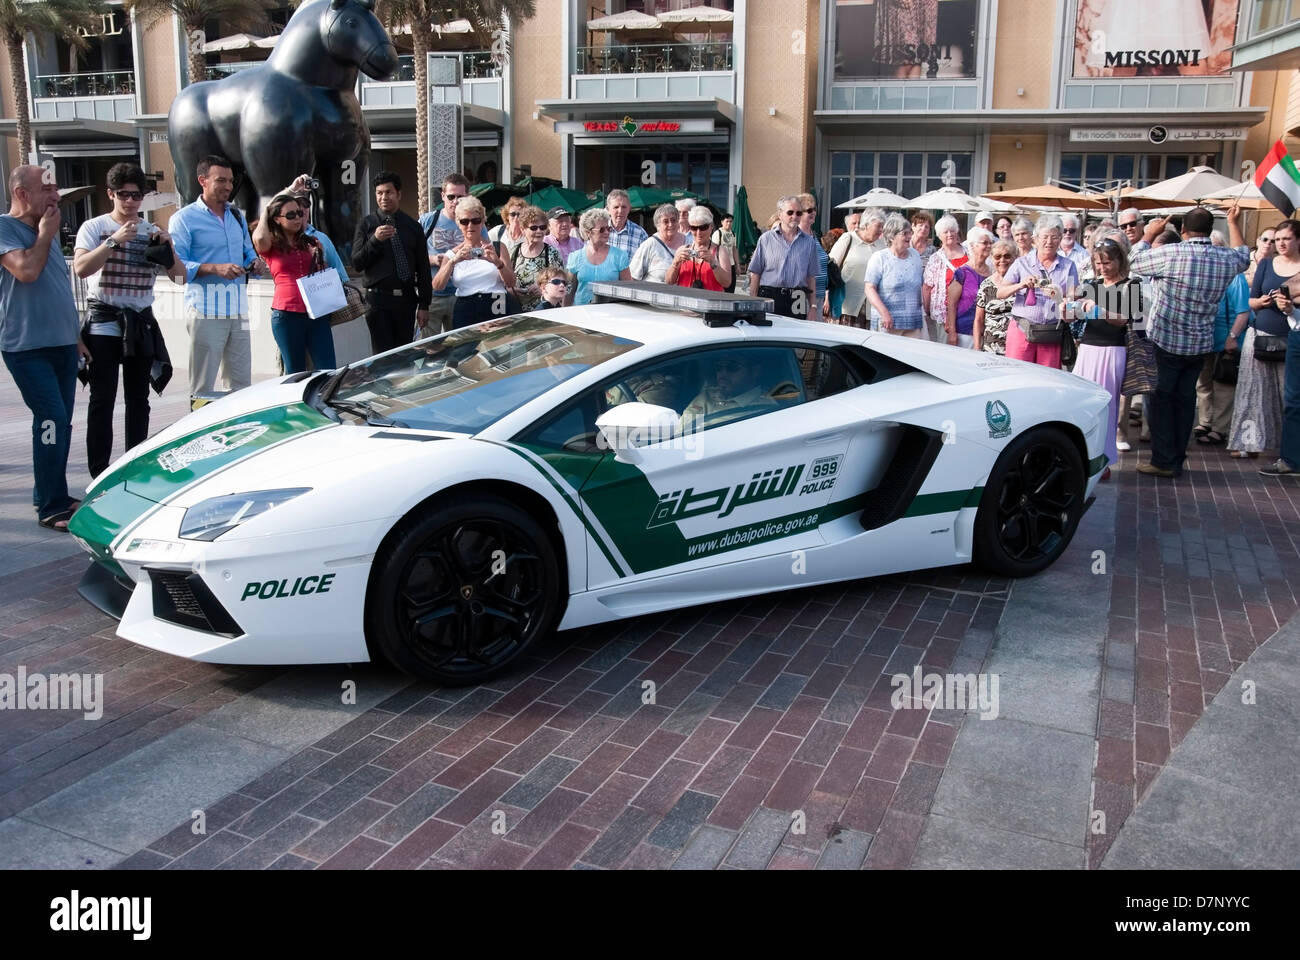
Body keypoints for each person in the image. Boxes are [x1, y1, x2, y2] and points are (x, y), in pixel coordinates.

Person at [73, 163, 184, 478]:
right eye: (123, 194)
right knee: (102, 398)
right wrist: (113, 241)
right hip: (105, 321)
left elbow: (180, 277)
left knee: (139, 399)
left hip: (140, 322)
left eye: (136, 195)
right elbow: (81, 268)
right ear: (111, 194)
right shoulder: (94, 227)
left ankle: (134, 466)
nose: (131, 201)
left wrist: (169, 247)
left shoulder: (151, 232)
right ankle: (99, 471)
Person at [1128, 205, 1248, 478]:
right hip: (1200, 344)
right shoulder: (1225, 258)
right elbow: (1245, 256)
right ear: (1208, 229)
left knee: (1160, 403)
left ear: (1182, 230)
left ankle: (1162, 461)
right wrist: (1234, 223)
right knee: (1184, 403)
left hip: (1166, 340)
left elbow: (1133, 262)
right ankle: (1176, 460)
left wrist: (1149, 234)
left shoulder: (1171, 253)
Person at [1, 165, 88, 531]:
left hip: (63, 346)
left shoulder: (44, 231)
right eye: (47, 189)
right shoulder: (7, 228)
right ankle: (51, 507)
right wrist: (46, 235)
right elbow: (27, 272)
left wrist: (76, 337)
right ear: (22, 193)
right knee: (50, 419)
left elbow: (55, 288)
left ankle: (51, 492)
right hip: (27, 348)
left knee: (60, 423)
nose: (56, 197)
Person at [169, 155, 262, 406]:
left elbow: (248, 250)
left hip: (238, 310)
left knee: (242, 387)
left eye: (231, 181)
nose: (229, 187)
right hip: (206, 311)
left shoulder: (236, 215)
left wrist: (255, 262)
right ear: (203, 180)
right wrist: (214, 268)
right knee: (203, 389)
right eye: (221, 180)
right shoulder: (184, 219)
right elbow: (178, 266)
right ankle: (200, 440)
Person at [1072, 237, 1144, 480]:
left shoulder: (1131, 285)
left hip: (1112, 350)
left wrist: (1101, 310)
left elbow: (1127, 318)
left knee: (1107, 406)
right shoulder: (1091, 283)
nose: (1102, 267)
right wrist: (1066, 309)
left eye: (1107, 263)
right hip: (1088, 349)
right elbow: (1075, 316)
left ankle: (1103, 459)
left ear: (1118, 260)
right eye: (1098, 263)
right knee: (1083, 405)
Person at [1229, 218, 1297, 463]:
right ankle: (1247, 443)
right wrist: (1260, 303)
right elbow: (1250, 300)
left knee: (1288, 397)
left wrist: (1291, 304)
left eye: (1286, 238)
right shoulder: (1267, 265)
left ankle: (1287, 448)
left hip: (1291, 338)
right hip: (1260, 335)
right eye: (1277, 239)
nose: (1280, 243)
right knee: (1252, 393)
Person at [253, 192, 335, 374]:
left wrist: (319, 257)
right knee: (295, 373)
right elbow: (259, 239)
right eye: (290, 215)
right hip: (287, 315)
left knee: (328, 370)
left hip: (317, 313)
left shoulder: (311, 242)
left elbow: (325, 271)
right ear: (276, 219)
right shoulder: (271, 245)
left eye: (299, 213)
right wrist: (266, 211)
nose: (297, 218)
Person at [352, 171, 431, 354]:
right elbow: (357, 262)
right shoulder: (367, 224)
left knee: (404, 355)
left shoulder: (413, 227)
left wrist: (424, 304)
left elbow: (423, 267)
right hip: (377, 300)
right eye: (379, 193)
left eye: (388, 192)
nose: (384, 197)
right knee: (382, 356)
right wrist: (375, 241)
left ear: (398, 194)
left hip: (406, 299)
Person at [997, 214, 1078, 369]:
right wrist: (1021, 285)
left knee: (1048, 379)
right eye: (1045, 237)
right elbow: (1000, 293)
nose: (1049, 242)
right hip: (1022, 329)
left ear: (1061, 238)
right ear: (1035, 239)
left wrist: (1061, 298)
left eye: (1054, 237)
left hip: (1051, 333)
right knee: (1017, 375)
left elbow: (1072, 301)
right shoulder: (1022, 263)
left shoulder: (1069, 266)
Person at [1194, 232, 1249, 448]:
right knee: (1203, 383)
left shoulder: (1235, 276)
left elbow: (1243, 311)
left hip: (1226, 339)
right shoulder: (1201, 272)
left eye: (1215, 248)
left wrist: (1232, 337)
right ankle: (1205, 421)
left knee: (1223, 385)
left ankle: (1219, 428)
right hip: (1204, 337)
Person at [432, 195, 516, 328]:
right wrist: (453, 261)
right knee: (466, 348)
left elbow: (511, 282)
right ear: (458, 223)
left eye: (476, 221)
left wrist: (496, 262)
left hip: (496, 302)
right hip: (466, 305)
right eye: (465, 221)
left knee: (498, 346)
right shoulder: (452, 254)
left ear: (483, 222)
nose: (470, 225)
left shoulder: (498, 247)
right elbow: (437, 286)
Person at [747, 195, 817, 319]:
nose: (794, 217)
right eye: (790, 212)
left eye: (798, 213)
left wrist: (813, 307)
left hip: (798, 297)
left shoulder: (809, 242)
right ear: (780, 214)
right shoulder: (766, 239)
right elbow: (755, 273)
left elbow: (811, 277)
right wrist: (753, 302)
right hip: (769, 295)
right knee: (769, 333)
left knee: (797, 335)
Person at [680, 352, 776, 434]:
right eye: (718, 367)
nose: (722, 374)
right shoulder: (707, 394)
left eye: (732, 367)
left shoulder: (765, 410)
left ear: (755, 371)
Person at [424, 172, 470, 337]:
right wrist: (433, 259)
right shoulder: (428, 220)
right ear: (443, 196)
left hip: (461, 294)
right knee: (428, 348)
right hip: (432, 296)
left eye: (460, 197)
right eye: (451, 196)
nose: (455, 201)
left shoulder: (473, 221)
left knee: (459, 350)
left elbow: (484, 251)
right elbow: (412, 255)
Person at [863, 214, 924, 336]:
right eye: (904, 233)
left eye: (909, 232)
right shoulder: (880, 258)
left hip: (913, 322)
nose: (909, 236)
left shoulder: (915, 255)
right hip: (888, 323)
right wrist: (884, 313)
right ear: (891, 237)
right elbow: (869, 289)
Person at [829, 211, 888, 327]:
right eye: (878, 226)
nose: (881, 230)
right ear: (866, 225)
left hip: (872, 308)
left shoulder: (882, 245)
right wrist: (827, 296)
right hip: (846, 304)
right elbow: (830, 267)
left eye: (882, 227)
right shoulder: (848, 238)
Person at [567, 208, 631, 305]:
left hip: (610, 313)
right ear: (588, 232)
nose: (607, 232)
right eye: (602, 230)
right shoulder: (575, 257)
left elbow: (628, 290)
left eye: (608, 229)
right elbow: (569, 291)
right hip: (581, 313)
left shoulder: (619, 256)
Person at [922, 215, 969, 342]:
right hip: (944, 313)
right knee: (946, 347)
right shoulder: (935, 259)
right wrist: (927, 310)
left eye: (952, 230)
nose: (950, 234)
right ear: (939, 235)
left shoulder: (969, 254)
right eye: (945, 232)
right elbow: (927, 287)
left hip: (968, 311)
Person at [509, 205, 563, 310]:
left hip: (543, 313)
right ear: (523, 229)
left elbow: (564, 285)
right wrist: (511, 291)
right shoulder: (513, 251)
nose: (539, 231)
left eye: (542, 227)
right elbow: (503, 282)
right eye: (534, 228)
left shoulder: (552, 253)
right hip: (516, 312)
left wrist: (544, 290)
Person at [946, 227, 992, 347]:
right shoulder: (962, 273)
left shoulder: (992, 274)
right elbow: (951, 304)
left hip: (986, 333)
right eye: (984, 243)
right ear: (972, 246)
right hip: (964, 333)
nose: (989, 246)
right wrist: (952, 332)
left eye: (990, 243)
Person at [667, 205, 731, 291]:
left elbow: (727, 283)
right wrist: (675, 263)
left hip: (710, 302)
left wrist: (713, 263)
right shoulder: (683, 250)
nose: (698, 232)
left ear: (711, 227)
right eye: (694, 228)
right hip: (685, 302)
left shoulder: (720, 251)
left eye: (703, 227)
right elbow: (669, 282)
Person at [974, 239, 1017, 355]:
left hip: (1016, 347)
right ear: (992, 259)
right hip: (991, 349)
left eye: (1007, 256)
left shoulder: (1020, 284)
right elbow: (979, 319)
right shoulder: (986, 285)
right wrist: (977, 348)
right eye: (998, 257)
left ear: (1015, 258)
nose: (1002, 260)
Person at [629, 204, 684, 284]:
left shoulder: (689, 242)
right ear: (657, 226)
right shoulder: (649, 245)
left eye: (673, 220)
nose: (670, 224)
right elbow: (633, 277)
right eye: (665, 221)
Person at [798, 193, 827, 322]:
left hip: (819, 295)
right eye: (809, 210)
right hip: (804, 296)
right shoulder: (797, 237)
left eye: (814, 209)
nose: (813, 213)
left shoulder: (814, 236)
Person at [605, 188, 648, 258]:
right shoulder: (599, 231)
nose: (620, 211)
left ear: (629, 209)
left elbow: (646, 262)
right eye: (616, 207)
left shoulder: (640, 234)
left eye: (624, 207)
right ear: (608, 209)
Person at [712, 213, 739, 290]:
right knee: (722, 287)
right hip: (721, 265)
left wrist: (738, 265)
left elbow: (734, 249)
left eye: (730, 221)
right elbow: (713, 250)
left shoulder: (733, 234)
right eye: (727, 221)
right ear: (722, 222)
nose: (729, 223)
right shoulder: (718, 233)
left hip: (731, 264)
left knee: (731, 287)